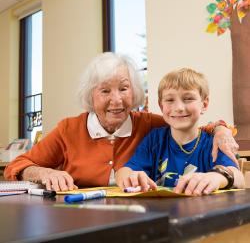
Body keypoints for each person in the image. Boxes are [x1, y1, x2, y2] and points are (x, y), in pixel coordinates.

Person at [4, 53, 239, 191]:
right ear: (90, 95)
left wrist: (221, 128)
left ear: (134, 91)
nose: (116, 100)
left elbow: (185, 123)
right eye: (105, 91)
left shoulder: (149, 124)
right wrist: (44, 173)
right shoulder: (69, 129)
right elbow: (17, 166)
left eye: (124, 88)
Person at [115, 68, 245, 195]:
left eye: (188, 99)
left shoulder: (213, 142)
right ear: (161, 106)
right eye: (170, 100)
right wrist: (129, 176)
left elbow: (239, 178)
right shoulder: (154, 139)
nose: (179, 108)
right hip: (163, 214)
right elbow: (124, 171)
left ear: (204, 105)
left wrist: (217, 177)